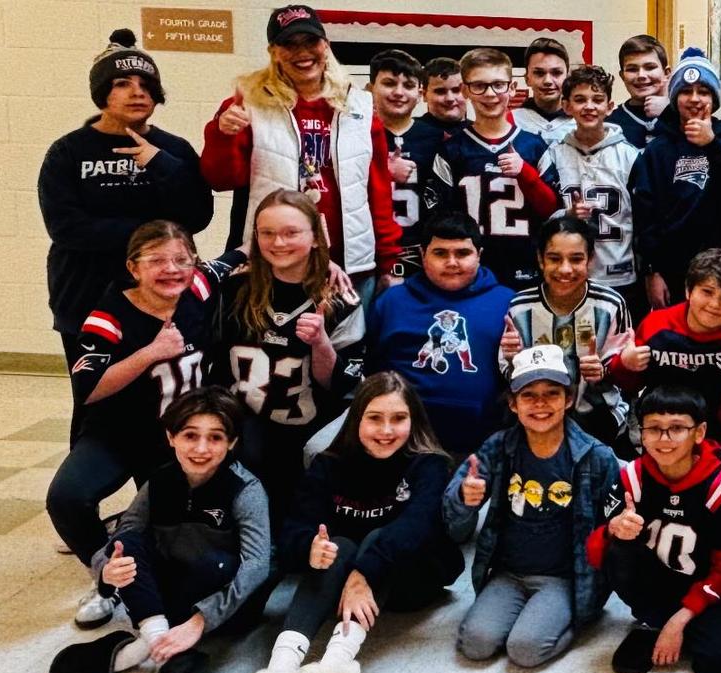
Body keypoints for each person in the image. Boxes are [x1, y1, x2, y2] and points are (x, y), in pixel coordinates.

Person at [48, 222, 245, 628]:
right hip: (117, 434)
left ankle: (139, 572)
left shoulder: (199, 288)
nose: (171, 269)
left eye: (181, 259)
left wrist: (327, 266)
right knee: (67, 497)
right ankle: (106, 576)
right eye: (156, 261)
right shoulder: (109, 315)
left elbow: (238, 255)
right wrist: (151, 352)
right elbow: (88, 388)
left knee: (167, 534)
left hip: (176, 442)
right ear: (133, 268)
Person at [249, 373, 463, 673]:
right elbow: (294, 529)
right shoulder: (327, 464)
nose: (387, 430)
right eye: (374, 418)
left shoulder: (429, 464)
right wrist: (310, 548)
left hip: (412, 577)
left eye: (398, 419)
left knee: (380, 536)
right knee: (336, 545)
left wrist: (364, 571)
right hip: (345, 577)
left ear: (414, 421)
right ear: (356, 420)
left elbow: (416, 529)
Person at [42, 28, 212, 435]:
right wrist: (148, 238)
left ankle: (156, 495)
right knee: (93, 404)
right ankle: (81, 488)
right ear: (102, 93)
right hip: (83, 295)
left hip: (161, 298)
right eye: (122, 83)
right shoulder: (68, 152)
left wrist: (162, 165)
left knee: (164, 403)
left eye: (146, 85)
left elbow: (197, 216)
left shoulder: (175, 150)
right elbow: (66, 227)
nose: (137, 92)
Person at [48, 388, 269, 673]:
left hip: (223, 600)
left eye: (216, 438)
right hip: (169, 591)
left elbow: (257, 566)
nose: (201, 448)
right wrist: (106, 571)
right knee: (127, 544)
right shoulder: (160, 482)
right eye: (190, 436)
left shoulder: (246, 490)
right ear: (171, 437)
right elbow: (126, 533)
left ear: (231, 443)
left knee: (213, 562)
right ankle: (160, 638)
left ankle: (140, 648)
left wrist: (200, 621)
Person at [202, 5, 402, 297]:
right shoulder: (249, 102)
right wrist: (221, 135)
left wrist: (388, 260)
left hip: (350, 263)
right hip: (274, 262)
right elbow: (220, 179)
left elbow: (379, 191)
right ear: (273, 52)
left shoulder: (358, 105)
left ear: (326, 45)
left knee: (348, 343)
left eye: (310, 42)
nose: (302, 52)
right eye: (289, 44)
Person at [444, 345, 621, 667]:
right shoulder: (498, 447)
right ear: (513, 404)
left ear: (568, 399)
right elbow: (453, 511)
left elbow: (617, 520)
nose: (540, 405)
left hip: (565, 576)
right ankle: (534, 614)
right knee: (476, 644)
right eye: (528, 395)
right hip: (509, 573)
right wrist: (464, 499)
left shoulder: (596, 457)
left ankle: (574, 618)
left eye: (552, 393)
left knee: (525, 650)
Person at [210, 190, 366, 528]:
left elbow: (342, 385)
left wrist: (321, 343)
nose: (278, 243)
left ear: (315, 237)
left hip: (309, 423)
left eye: (291, 232)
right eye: (267, 233)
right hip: (247, 419)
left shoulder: (340, 297)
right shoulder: (234, 288)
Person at [588, 386, 721, 673]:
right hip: (650, 583)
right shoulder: (631, 477)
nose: (664, 439)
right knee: (618, 548)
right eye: (654, 429)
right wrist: (612, 529)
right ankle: (652, 620)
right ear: (642, 434)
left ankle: (671, 625)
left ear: (699, 433)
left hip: (701, 589)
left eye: (677, 428)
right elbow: (595, 554)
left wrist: (681, 619)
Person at [611, 248, 721, 504]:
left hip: (714, 434)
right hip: (660, 426)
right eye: (707, 292)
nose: (714, 304)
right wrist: (625, 365)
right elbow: (628, 384)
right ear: (688, 291)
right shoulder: (655, 326)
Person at [363, 213, 514, 458]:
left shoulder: (507, 302)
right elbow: (370, 370)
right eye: (440, 253)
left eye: (462, 253)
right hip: (401, 440)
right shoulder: (391, 302)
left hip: (481, 442)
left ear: (479, 255)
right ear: (423, 255)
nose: (452, 262)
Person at [630, 47, 721, 309]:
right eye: (686, 92)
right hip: (673, 271)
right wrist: (652, 270)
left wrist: (712, 145)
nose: (695, 99)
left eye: (704, 91)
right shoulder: (657, 150)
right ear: (675, 98)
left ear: (715, 98)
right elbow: (645, 215)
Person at [428, 47, 561, 290]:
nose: (490, 94)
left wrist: (524, 173)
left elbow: (550, 209)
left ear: (512, 88)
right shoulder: (452, 149)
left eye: (499, 84)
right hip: (469, 271)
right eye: (479, 85)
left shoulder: (532, 145)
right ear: (466, 91)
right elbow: (439, 218)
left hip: (527, 269)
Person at [500, 217, 635, 451]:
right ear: (540, 260)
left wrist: (604, 371)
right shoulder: (520, 306)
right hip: (539, 415)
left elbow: (625, 375)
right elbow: (509, 374)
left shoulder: (611, 304)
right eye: (554, 259)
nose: (565, 269)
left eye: (576, 259)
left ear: (590, 260)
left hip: (598, 417)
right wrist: (513, 360)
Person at [551, 65, 644, 303]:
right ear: (566, 106)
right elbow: (541, 213)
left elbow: (646, 217)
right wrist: (567, 214)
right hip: (568, 275)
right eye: (580, 99)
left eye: (597, 99)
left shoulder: (629, 155)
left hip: (620, 276)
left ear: (610, 107)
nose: (589, 106)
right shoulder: (554, 154)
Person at [371, 50, 439, 281]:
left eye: (408, 85)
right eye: (389, 83)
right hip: (371, 253)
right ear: (371, 89)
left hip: (424, 252)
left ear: (419, 93)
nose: (399, 92)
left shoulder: (436, 138)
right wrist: (383, 173)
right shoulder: (356, 135)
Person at [511, 37, 575, 145]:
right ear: (527, 79)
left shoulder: (582, 122)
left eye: (556, 72)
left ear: (567, 78)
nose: (548, 81)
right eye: (539, 73)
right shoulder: (511, 122)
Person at [610, 35, 670, 149]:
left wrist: (670, 111)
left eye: (650, 67)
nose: (641, 75)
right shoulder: (609, 122)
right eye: (632, 69)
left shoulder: (683, 117)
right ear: (622, 76)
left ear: (666, 73)